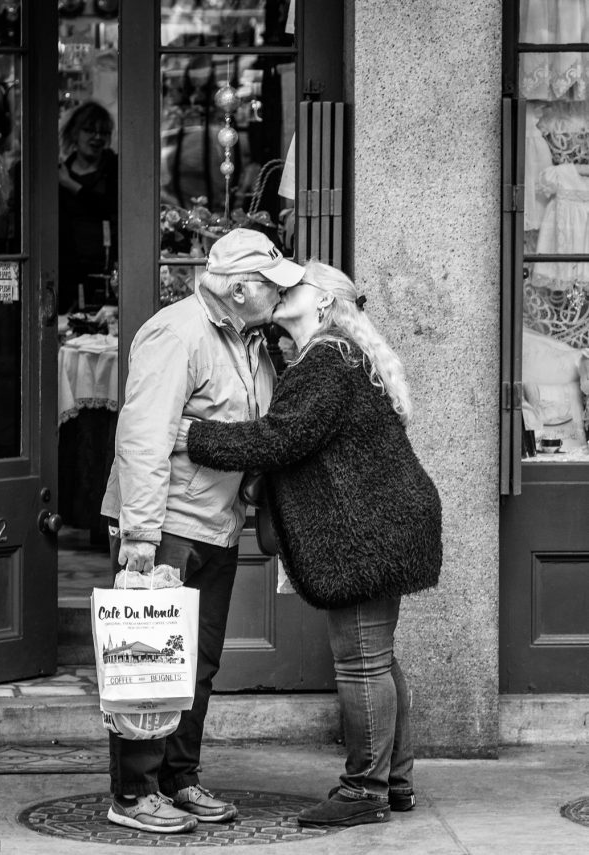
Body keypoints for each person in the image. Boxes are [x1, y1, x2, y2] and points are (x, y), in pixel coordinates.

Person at [182, 259, 443, 829]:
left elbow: (282, 438)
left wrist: (193, 436)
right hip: (384, 524)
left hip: (369, 532)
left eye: (292, 286)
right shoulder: (329, 355)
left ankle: (363, 790)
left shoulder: (328, 358)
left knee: (361, 661)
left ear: (322, 302)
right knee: (376, 656)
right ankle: (394, 782)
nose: (279, 289)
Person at [100, 227, 304, 833]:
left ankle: (178, 779)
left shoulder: (247, 337)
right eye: (273, 285)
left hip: (213, 523)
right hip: (165, 525)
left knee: (197, 663)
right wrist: (138, 535)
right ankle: (133, 795)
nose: (279, 295)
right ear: (240, 288)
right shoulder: (177, 331)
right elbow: (143, 436)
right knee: (147, 662)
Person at [58, 101, 118, 313]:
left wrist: (71, 185)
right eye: (89, 130)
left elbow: (110, 206)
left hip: (107, 270)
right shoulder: (60, 171)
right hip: (69, 271)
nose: (97, 137)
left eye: (103, 132)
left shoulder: (114, 167)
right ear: (75, 133)